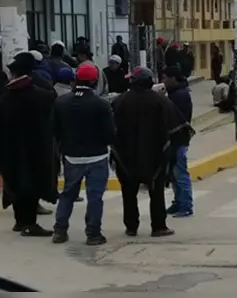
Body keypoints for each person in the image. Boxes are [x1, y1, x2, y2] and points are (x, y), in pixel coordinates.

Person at [0, 52, 59, 237]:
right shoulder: (42, 93)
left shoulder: (7, 97)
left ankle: (20, 221)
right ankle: (29, 223)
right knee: (32, 183)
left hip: (11, 150)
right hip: (36, 149)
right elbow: (54, 115)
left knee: (15, 182)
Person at [111, 67, 193, 238]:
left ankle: (131, 226)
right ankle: (158, 226)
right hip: (156, 155)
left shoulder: (120, 100)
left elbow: (111, 129)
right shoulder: (161, 101)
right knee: (156, 192)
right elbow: (178, 128)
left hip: (127, 156)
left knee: (128, 192)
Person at [51, 64, 115, 245]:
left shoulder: (62, 102)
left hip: (72, 156)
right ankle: (93, 234)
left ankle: (60, 231)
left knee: (68, 194)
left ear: (76, 79)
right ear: (95, 82)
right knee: (95, 197)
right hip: (97, 157)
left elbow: (54, 130)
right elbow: (110, 134)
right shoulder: (101, 105)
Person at [163, 65, 195, 217]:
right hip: (175, 139)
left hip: (178, 138)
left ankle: (186, 205)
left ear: (173, 78)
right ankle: (178, 202)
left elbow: (175, 118)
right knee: (174, 173)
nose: (163, 81)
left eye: (165, 78)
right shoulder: (176, 93)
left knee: (180, 172)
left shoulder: (179, 96)